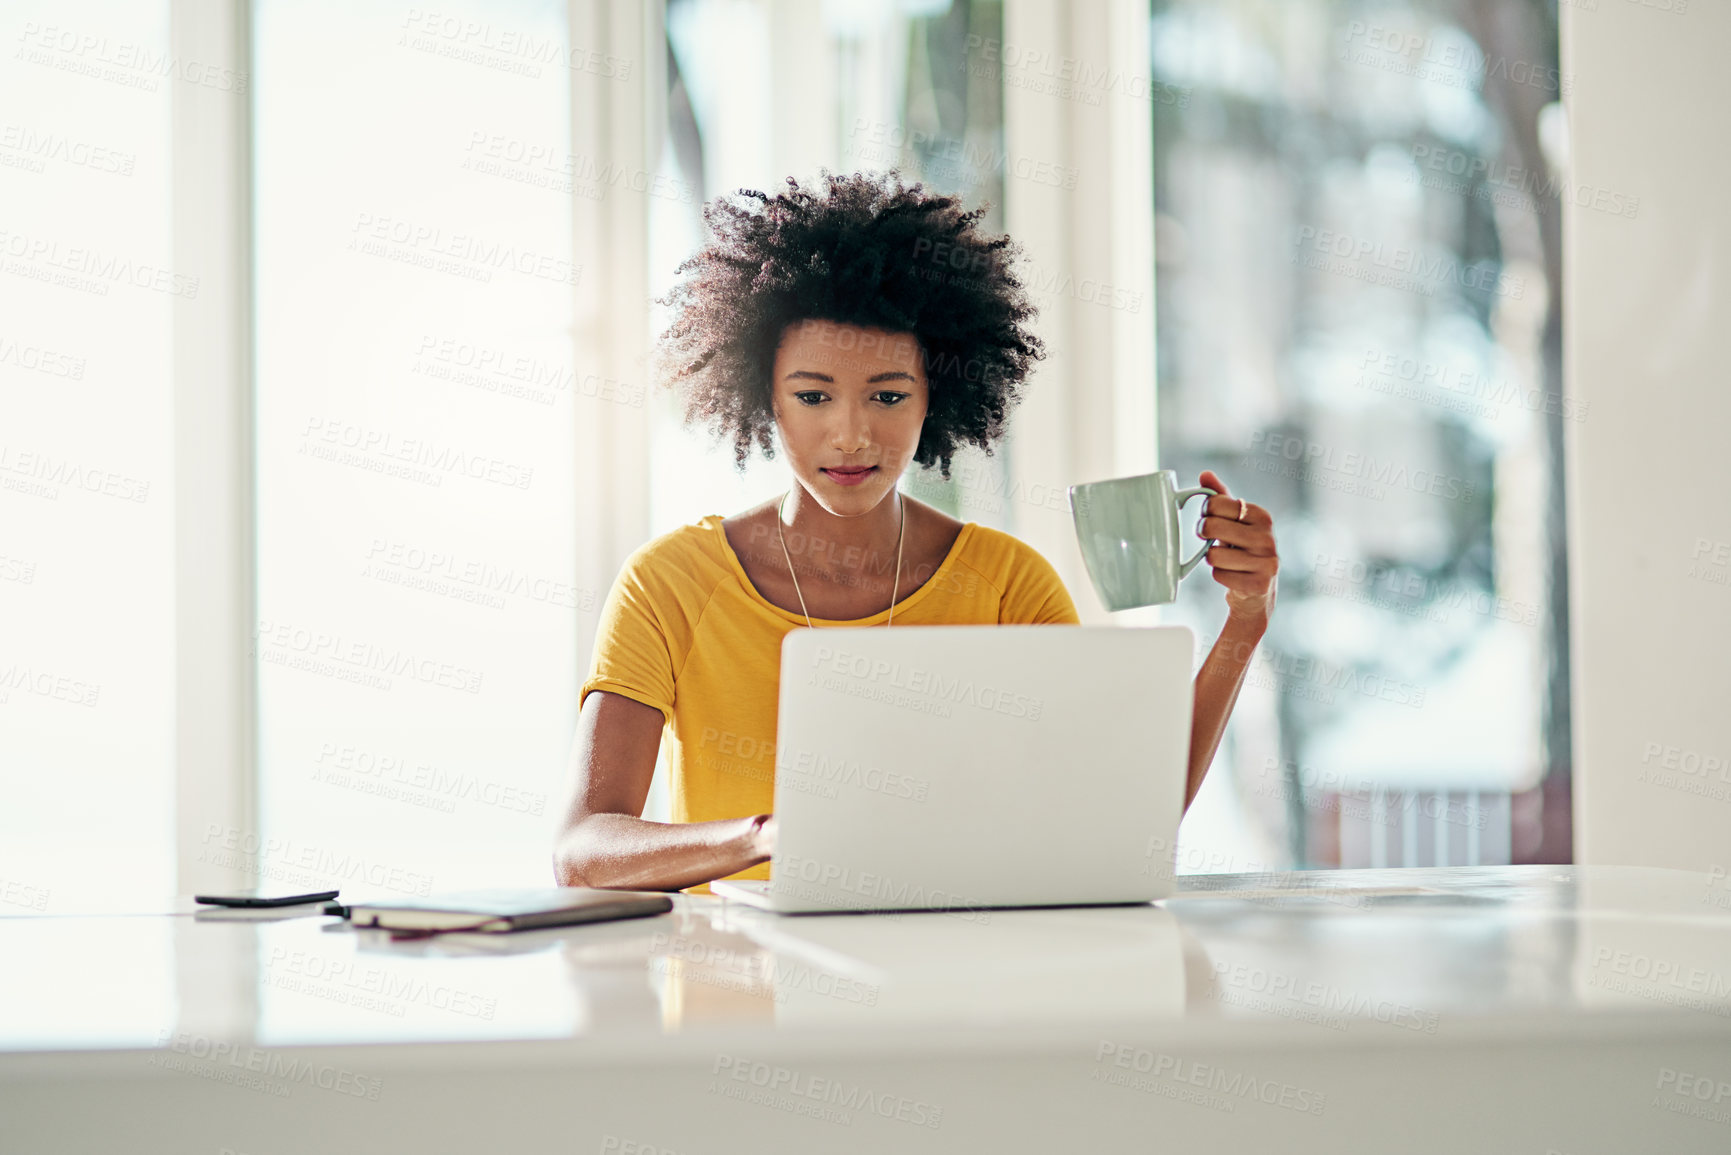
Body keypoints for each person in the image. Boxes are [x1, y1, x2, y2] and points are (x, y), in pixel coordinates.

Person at [552, 169, 1278, 895]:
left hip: (955, 988)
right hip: (735, 995)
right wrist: (765, 835)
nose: (851, 434)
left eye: (888, 396)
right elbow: (582, 850)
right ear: (760, 393)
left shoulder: (1004, 583)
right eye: (812, 395)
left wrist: (1243, 624)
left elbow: (1128, 815)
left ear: (937, 395)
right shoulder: (669, 583)